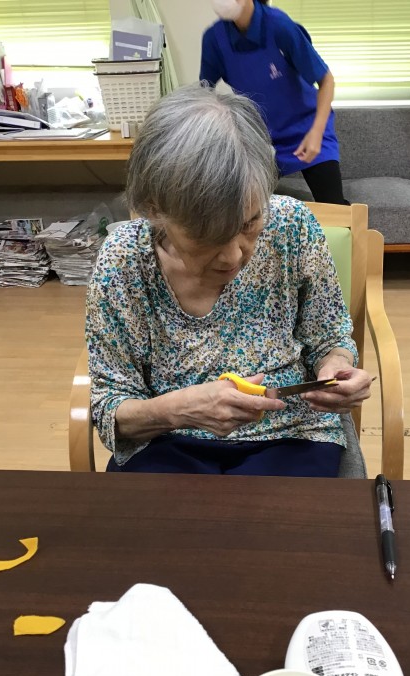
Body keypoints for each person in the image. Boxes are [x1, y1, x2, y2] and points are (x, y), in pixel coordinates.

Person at [86, 84, 372, 477]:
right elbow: (109, 407)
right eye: (208, 236)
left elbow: (329, 336)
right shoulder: (123, 260)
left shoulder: (291, 225)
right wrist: (178, 410)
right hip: (166, 440)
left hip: (292, 434)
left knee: (282, 518)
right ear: (155, 209)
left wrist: (336, 367)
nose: (234, 256)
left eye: (249, 224)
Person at [200, 0, 346, 204]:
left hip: (308, 130)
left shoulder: (279, 26)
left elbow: (326, 80)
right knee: (236, 206)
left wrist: (316, 132)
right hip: (261, 141)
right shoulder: (215, 39)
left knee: (334, 207)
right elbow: (204, 94)